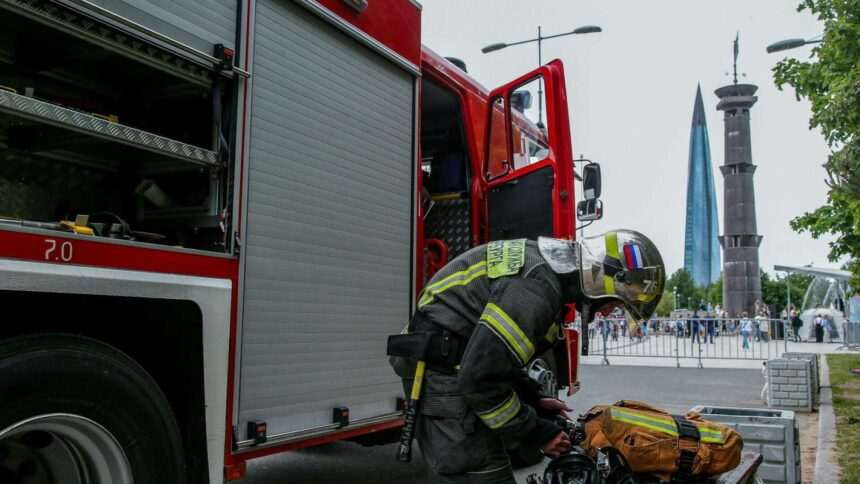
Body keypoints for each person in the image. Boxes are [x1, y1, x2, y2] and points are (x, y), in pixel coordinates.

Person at [388, 231, 665, 483]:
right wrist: (536, 434)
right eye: (614, 304)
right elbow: (479, 379)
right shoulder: (536, 289)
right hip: (444, 377)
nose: (607, 313)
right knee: (482, 473)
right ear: (599, 281)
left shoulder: (542, 270)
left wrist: (532, 399)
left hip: (448, 366)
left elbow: (494, 358)